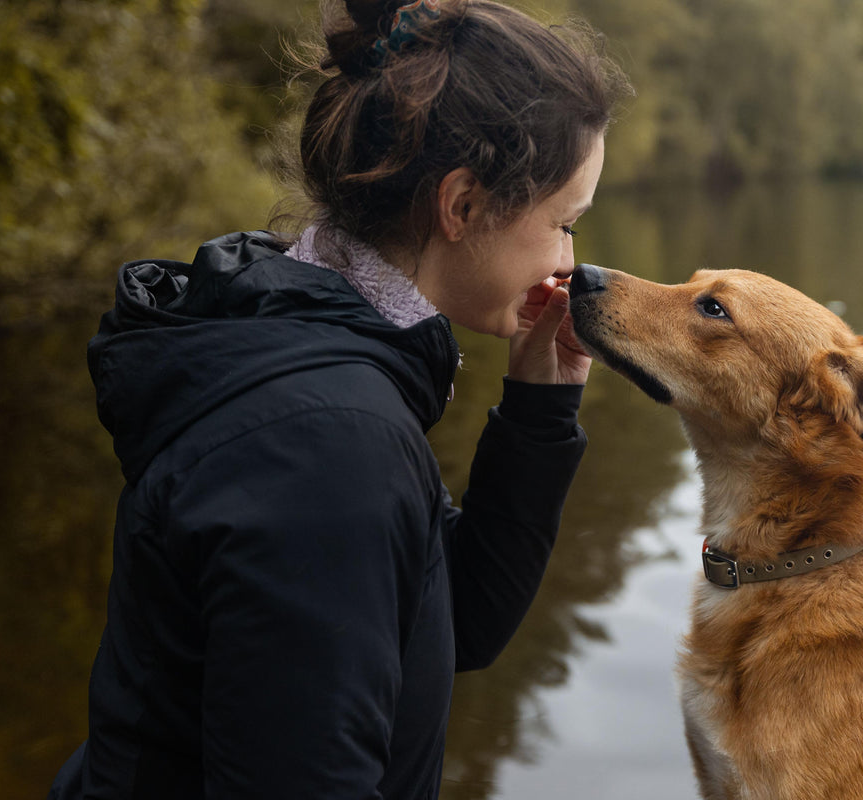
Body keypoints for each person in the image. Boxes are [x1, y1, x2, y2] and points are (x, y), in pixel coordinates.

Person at [48, 1, 628, 797]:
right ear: (462, 207)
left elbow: (453, 618)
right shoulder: (330, 443)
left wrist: (539, 408)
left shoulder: (308, 337)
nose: (570, 255)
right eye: (564, 222)